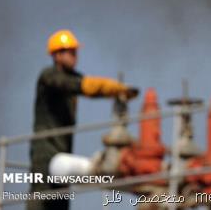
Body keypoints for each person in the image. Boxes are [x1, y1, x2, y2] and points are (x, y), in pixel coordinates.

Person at [27, 29, 138, 210]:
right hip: (44, 150)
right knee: (42, 196)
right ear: (56, 55)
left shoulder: (74, 78)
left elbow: (86, 86)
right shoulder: (48, 76)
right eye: (69, 52)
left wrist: (115, 91)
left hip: (63, 149)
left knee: (61, 200)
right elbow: (82, 86)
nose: (74, 56)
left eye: (75, 52)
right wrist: (112, 88)